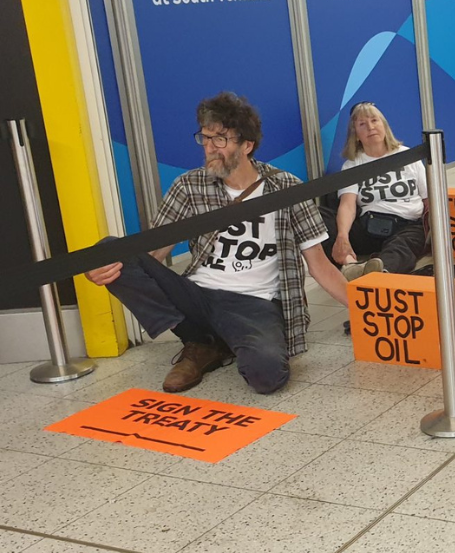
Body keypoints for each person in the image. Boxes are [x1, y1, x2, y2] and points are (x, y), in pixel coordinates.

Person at [85, 92, 347, 394]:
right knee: (110, 248)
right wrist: (110, 269)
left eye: (220, 140)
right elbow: (152, 254)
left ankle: (212, 345)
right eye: (205, 138)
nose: (209, 148)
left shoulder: (286, 187)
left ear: (247, 145)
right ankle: (198, 340)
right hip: (198, 295)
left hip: (255, 303)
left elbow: (320, 265)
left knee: (268, 377)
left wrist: (367, 312)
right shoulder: (189, 185)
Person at [323, 102, 427, 281]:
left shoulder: (408, 156)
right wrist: (342, 237)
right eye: (362, 124)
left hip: (407, 225)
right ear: (355, 134)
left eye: (374, 120)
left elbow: (428, 200)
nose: (371, 127)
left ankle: (378, 271)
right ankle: (351, 265)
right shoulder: (352, 164)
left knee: (402, 247)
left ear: (384, 126)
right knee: (316, 216)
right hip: (368, 227)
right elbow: (347, 205)